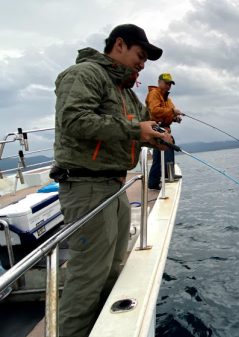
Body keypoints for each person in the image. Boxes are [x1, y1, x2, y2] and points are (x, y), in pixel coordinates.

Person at [52, 24, 172, 337]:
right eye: (140, 55)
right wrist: (137, 131)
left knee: (111, 272)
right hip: (86, 187)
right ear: (119, 45)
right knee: (87, 278)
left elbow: (130, 130)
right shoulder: (85, 75)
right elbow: (74, 120)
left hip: (113, 189)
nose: (143, 64)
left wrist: (153, 139)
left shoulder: (126, 93)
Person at [146, 73, 183, 189]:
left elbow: (169, 113)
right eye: (166, 83)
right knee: (169, 143)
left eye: (170, 84)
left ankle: (153, 183)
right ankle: (168, 174)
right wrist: (172, 111)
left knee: (158, 158)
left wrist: (175, 118)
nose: (168, 86)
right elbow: (155, 111)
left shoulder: (168, 99)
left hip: (164, 128)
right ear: (159, 82)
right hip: (156, 128)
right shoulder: (153, 94)